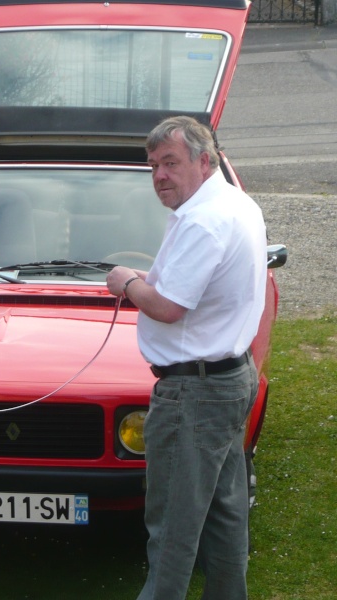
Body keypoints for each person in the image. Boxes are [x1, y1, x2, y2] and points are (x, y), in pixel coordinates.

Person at [105, 116, 267, 600]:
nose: (159, 176)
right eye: (153, 166)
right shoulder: (235, 203)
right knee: (224, 518)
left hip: (194, 394)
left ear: (204, 159)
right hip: (230, 378)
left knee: (173, 533)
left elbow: (170, 308)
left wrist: (126, 282)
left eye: (170, 163)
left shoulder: (204, 220)